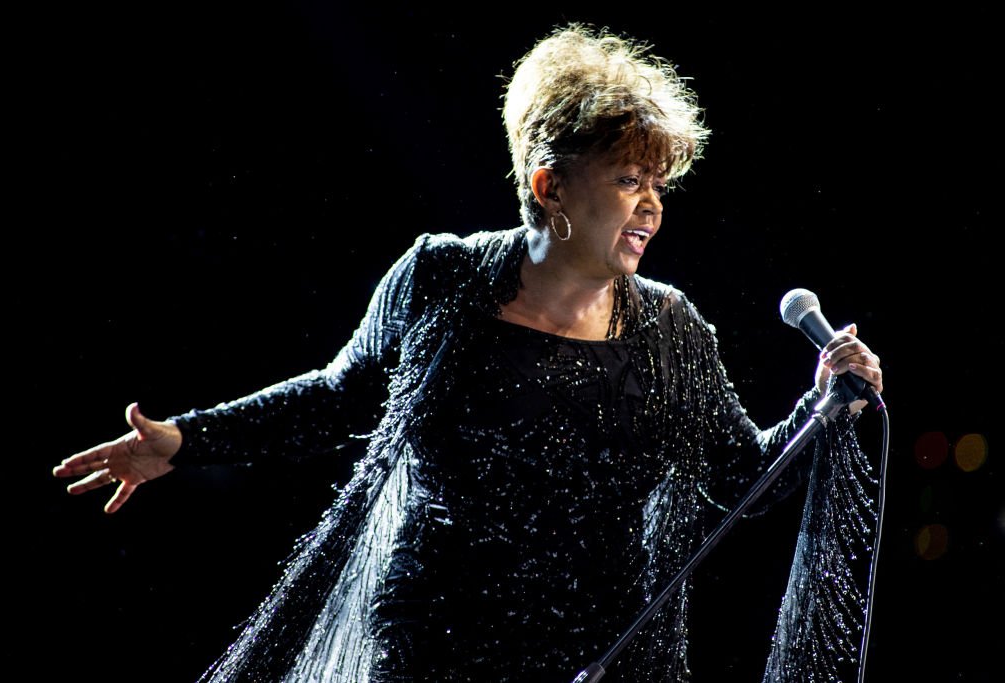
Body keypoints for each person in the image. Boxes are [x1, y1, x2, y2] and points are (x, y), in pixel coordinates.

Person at [53, 24, 884, 682]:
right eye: (630, 178)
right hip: (430, 648)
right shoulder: (439, 277)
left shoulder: (673, 331)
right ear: (549, 183)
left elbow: (743, 478)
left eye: (659, 184)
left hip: (599, 657)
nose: (651, 205)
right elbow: (338, 397)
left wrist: (825, 404)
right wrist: (187, 439)